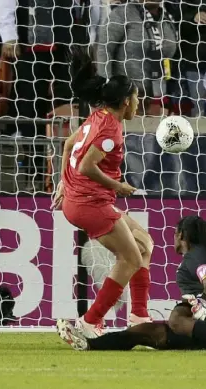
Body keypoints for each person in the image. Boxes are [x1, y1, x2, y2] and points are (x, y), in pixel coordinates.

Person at [52, 48, 154, 338]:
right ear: (125, 102)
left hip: (79, 198)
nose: (138, 103)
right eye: (136, 98)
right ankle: (89, 321)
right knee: (131, 259)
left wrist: (62, 182)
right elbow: (86, 164)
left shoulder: (99, 116)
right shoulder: (111, 130)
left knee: (145, 244)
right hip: (89, 203)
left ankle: (139, 317)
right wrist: (118, 186)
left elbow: (68, 146)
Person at [56, 216, 206, 354]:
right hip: (196, 327)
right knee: (140, 332)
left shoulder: (195, 257)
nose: (173, 237)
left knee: (175, 318)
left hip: (203, 316)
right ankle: (89, 344)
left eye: (175, 232)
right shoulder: (198, 255)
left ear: (182, 235)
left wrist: (202, 301)